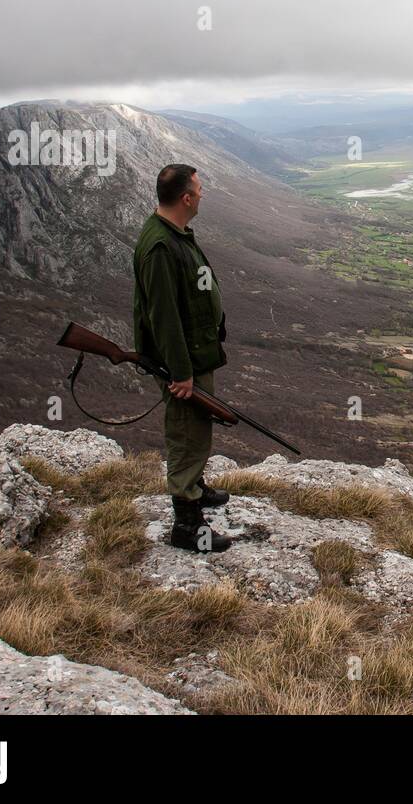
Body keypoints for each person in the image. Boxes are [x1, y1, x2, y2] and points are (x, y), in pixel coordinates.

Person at [132, 163, 233, 553]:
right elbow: (164, 317)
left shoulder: (172, 233)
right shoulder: (160, 246)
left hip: (194, 354)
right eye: (200, 189)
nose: (203, 194)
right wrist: (181, 372)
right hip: (184, 361)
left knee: (198, 427)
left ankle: (196, 488)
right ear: (186, 198)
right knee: (186, 432)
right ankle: (187, 525)